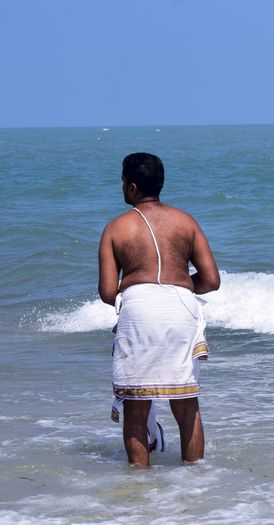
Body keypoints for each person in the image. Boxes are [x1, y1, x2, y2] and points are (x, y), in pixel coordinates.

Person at [98, 153, 220, 467]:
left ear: (133, 187)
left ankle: (140, 485)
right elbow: (211, 280)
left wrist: (145, 290)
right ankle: (195, 480)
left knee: (136, 405)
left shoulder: (115, 228)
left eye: (123, 182)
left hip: (139, 306)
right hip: (182, 305)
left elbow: (108, 292)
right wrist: (176, 283)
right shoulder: (186, 221)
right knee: (186, 402)